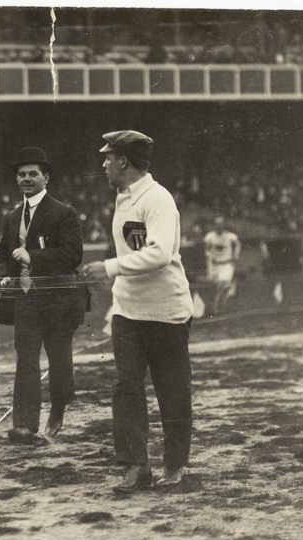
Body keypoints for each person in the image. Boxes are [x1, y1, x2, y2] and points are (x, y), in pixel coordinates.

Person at [83, 131, 194, 494]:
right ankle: (135, 467)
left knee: (171, 390)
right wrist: (116, 285)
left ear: (123, 162)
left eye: (108, 158)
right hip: (128, 312)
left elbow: (160, 254)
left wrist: (110, 267)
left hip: (166, 313)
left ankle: (175, 464)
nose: (103, 165)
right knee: (126, 388)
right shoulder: (123, 198)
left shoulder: (157, 198)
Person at [0, 146, 87, 445]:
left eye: (33, 174)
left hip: (60, 300)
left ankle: (58, 408)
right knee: (27, 359)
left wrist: (32, 256)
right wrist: (4, 276)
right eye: (21, 175)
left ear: (46, 178)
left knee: (59, 361)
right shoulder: (11, 217)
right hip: (26, 300)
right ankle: (24, 425)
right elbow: (1, 253)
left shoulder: (64, 213)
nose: (26, 179)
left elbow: (73, 255)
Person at [203, 215, 241, 315]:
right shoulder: (210, 236)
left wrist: (235, 255)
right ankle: (217, 309)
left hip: (227, 264)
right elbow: (207, 250)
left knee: (222, 285)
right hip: (215, 265)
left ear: (224, 224)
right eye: (216, 223)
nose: (218, 225)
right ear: (214, 224)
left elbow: (237, 244)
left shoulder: (230, 236)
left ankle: (217, 309)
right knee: (217, 288)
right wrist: (210, 257)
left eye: (220, 223)